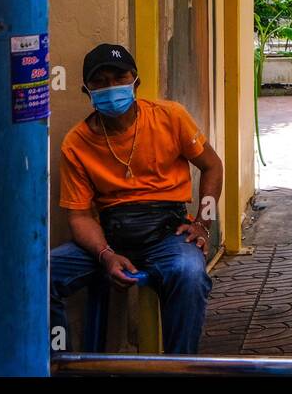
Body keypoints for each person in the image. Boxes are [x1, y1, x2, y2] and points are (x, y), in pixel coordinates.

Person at [50, 43, 224, 354]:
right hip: (109, 237)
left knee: (189, 275)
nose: (110, 87)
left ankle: (179, 369)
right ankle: (60, 362)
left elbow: (212, 165)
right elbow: (79, 215)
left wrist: (202, 223)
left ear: (136, 82)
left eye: (119, 78)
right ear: (86, 90)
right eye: (100, 82)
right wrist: (105, 254)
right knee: (39, 274)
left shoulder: (170, 116)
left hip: (167, 232)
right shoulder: (76, 143)